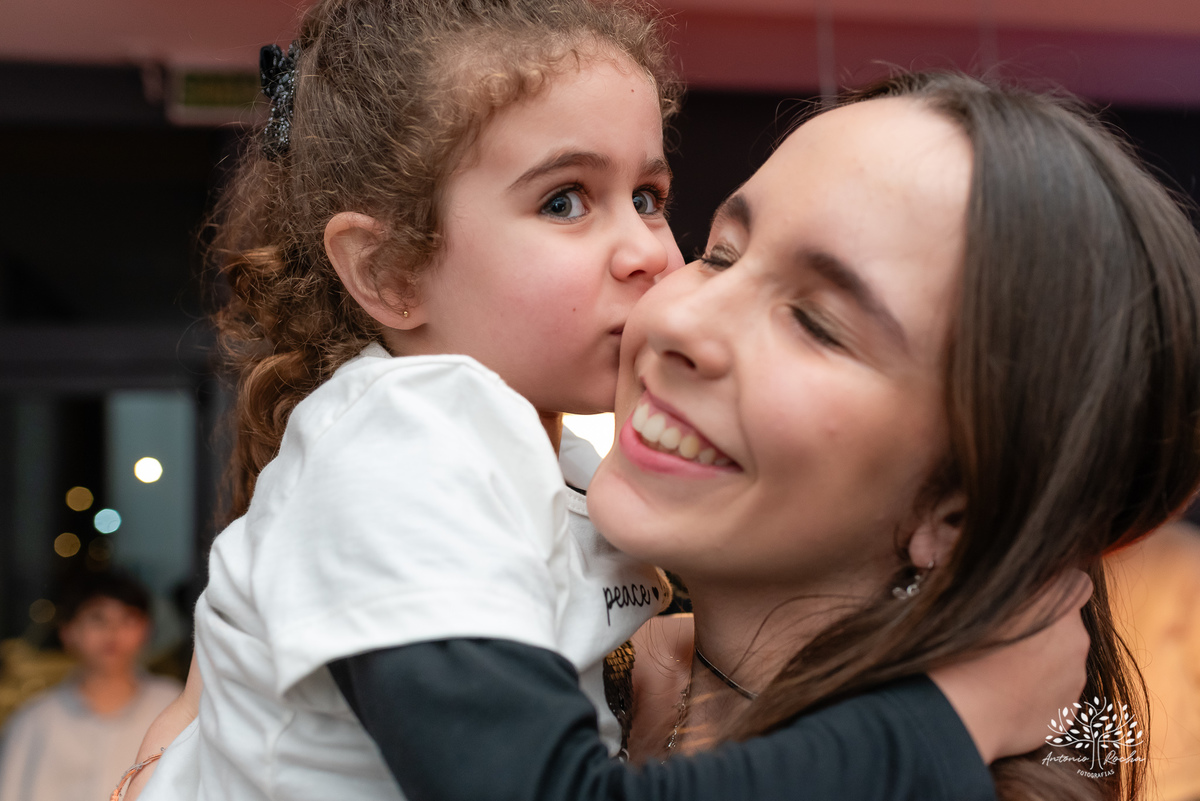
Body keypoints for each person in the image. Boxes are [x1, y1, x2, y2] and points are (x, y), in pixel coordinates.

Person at [126, 2, 1090, 797]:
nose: (652, 258)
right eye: (564, 201)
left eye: (648, 198)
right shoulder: (414, 439)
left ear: (951, 507)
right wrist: (952, 714)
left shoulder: (555, 475)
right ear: (388, 271)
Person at [323, 73, 1200, 801]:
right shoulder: (564, 640)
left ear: (957, 513)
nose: (678, 320)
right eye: (722, 253)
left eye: (816, 323)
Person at [0, 573, 179, 801]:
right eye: (98, 619)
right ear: (68, 631)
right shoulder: (35, 722)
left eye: (128, 619)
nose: (113, 632)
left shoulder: (173, 707)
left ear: (147, 629)